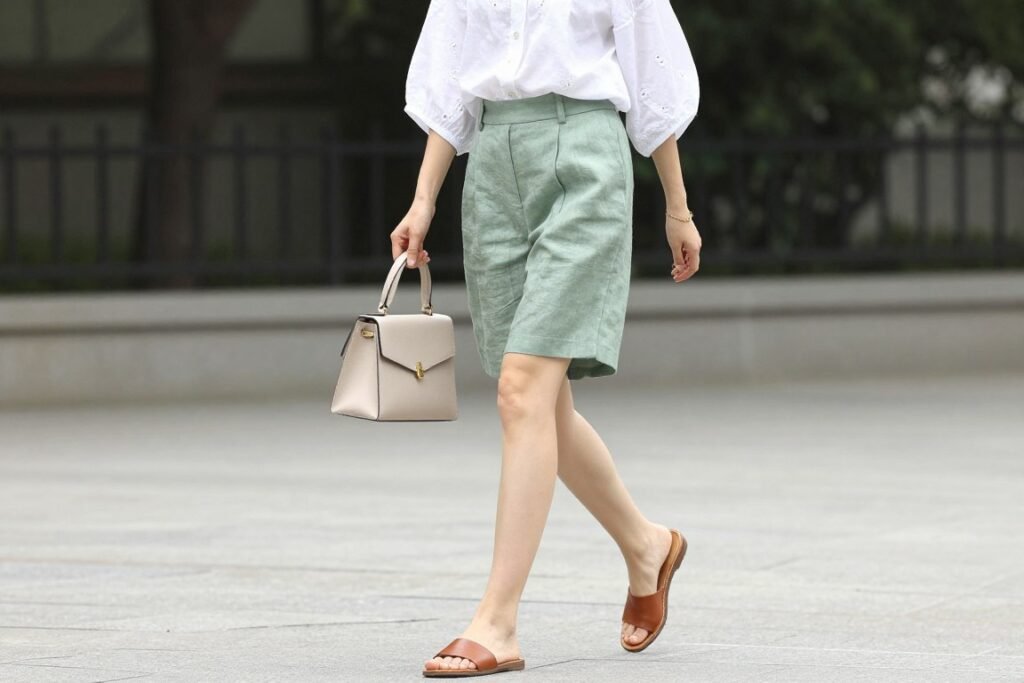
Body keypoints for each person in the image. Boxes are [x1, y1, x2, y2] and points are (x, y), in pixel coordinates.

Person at [392, 0, 701, 676]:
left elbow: (653, 81)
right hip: (495, 170)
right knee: (538, 402)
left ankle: (497, 621)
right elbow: (450, 87)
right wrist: (423, 201)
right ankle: (647, 545)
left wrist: (678, 207)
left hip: (585, 156)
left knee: (522, 388)